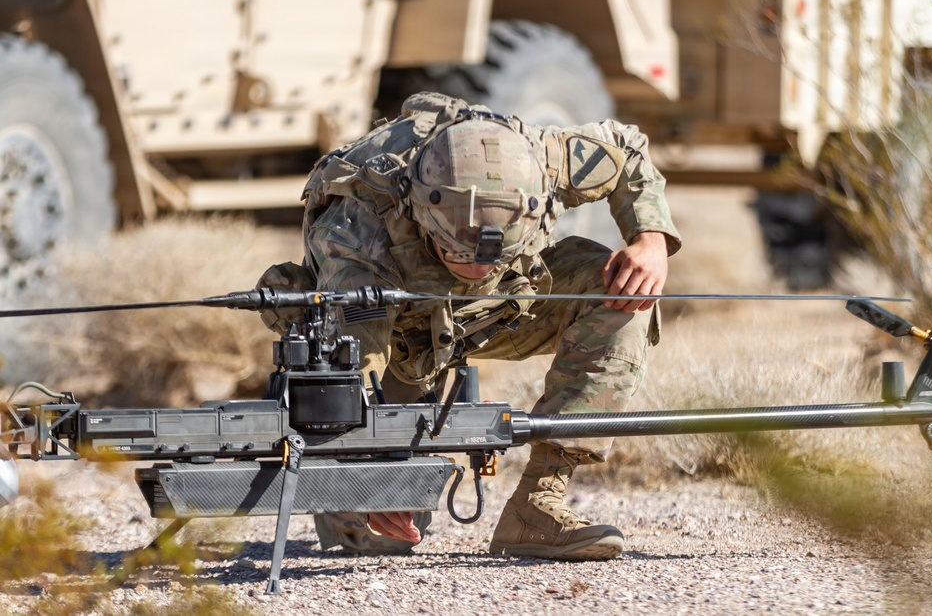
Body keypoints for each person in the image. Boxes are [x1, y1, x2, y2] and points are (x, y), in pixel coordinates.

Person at [257, 92, 681, 561]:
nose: (477, 268)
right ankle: (355, 505)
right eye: (458, 254)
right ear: (423, 214)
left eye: (492, 256)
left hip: (501, 307)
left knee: (621, 294)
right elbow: (354, 373)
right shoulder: (359, 238)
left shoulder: (543, 161)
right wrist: (366, 476)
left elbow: (628, 150)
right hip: (398, 333)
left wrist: (650, 240)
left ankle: (537, 507)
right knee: (381, 534)